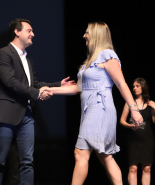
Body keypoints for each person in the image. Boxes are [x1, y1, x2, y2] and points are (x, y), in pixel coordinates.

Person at [47, 21, 143, 185]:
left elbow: (121, 83)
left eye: (87, 32)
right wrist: (50, 89)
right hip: (89, 109)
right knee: (105, 156)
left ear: (96, 35)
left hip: (101, 107)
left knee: (80, 153)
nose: (84, 35)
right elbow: (78, 88)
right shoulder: (90, 61)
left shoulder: (107, 55)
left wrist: (133, 108)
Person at [0, 18, 74, 185]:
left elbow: (34, 84)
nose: (33, 34)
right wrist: (37, 94)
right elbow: (11, 82)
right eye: (29, 30)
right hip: (6, 114)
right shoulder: (3, 53)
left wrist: (57, 85)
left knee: (27, 161)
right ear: (17, 32)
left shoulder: (27, 59)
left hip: (26, 114)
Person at [120, 78, 155, 185]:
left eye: (137, 86)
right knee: (133, 168)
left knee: (147, 169)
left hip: (147, 140)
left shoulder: (150, 103)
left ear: (143, 87)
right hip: (133, 140)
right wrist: (130, 126)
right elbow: (122, 121)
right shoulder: (129, 103)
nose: (134, 88)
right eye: (133, 86)